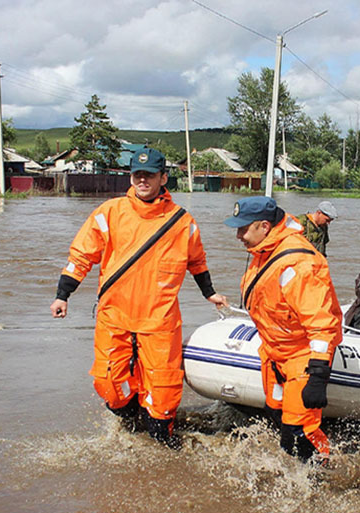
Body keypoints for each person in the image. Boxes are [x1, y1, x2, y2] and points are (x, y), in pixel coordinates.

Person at [50, 148, 227, 447]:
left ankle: (161, 435)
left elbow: (197, 261)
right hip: (114, 317)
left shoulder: (182, 222)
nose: (142, 180)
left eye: (149, 175)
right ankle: (132, 418)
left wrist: (209, 293)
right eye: (137, 175)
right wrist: (63, 294)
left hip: (159, 321)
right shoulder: (109, 213)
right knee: (109, 384)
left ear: (163, 178)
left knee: (163, 391)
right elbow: (82, 255)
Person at [224, 196, 343, 463]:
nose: (238, 236)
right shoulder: (263, 251)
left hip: (301, 357)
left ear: (264, 226)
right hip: (275, 355)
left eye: (243, 229)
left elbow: (321, 322)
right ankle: (292, 473)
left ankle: (323, 473)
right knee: (278, 418)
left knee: (299, 431)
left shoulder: (299, 264)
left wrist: (318, 375)